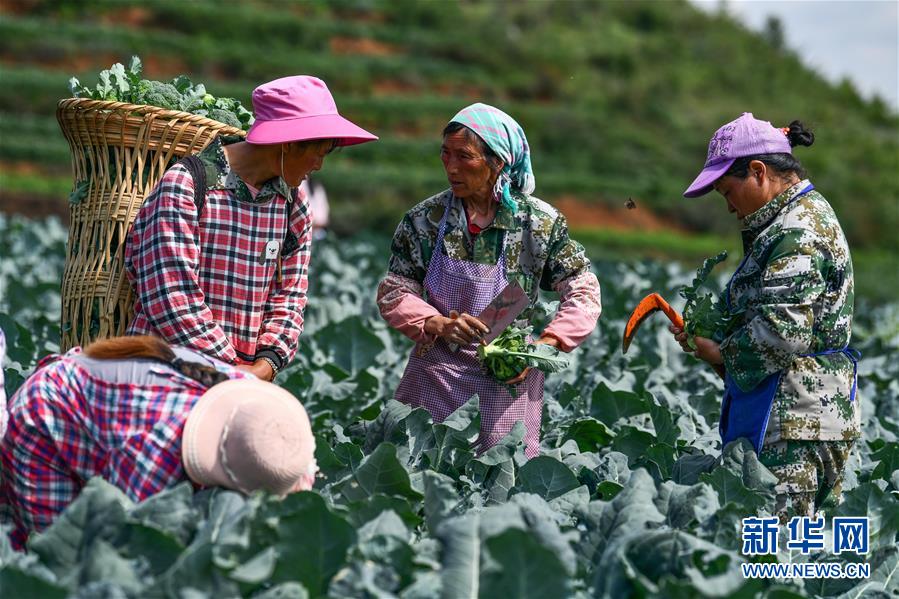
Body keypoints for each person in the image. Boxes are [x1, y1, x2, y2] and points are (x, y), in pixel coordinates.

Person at [377, 103, 602, 458]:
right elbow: (395, 290)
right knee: (421, 468)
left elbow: (583, 288)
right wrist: (436, 322)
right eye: (445, 154)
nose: (451, 167)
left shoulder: (538, 224)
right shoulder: (426, 220)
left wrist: (545, 346)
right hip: (436, 372)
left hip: (506, 377)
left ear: (498, 162)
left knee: (497, 479)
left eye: (464, 156)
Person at [125, 76, 377, 382]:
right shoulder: (188, 185)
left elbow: (290, 297)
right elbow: (170, 296)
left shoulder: (293, 204)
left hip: (242, 382)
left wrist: (267, 364)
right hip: (165, 375)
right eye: (319, 153)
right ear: (287, 144)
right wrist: (232, 367)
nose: (318, 166)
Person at [672, 112, 858, 522]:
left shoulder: (798, 231)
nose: (728, 207)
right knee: (792, 554)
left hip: (797, 424)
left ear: (758, 172)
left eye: (727, 191)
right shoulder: (787, 222)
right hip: (803, 414)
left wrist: (719, 352)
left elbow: (782, 332)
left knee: (776, 553)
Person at [0, 335, 317, 550]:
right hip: (45, 417)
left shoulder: (271, 429)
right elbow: (128, 544)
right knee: (64, 554)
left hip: (115, 398)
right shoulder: (155, 455)